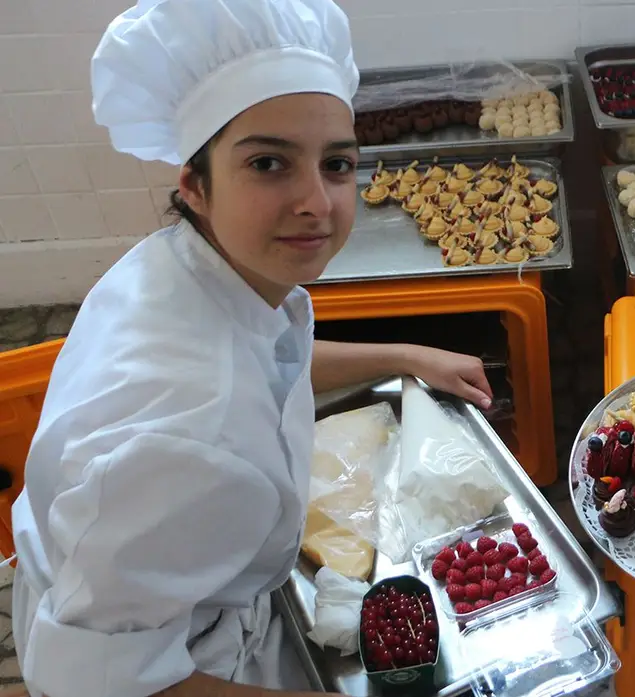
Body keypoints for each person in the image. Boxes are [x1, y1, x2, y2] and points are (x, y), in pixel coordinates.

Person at [8, 0, 494, 695]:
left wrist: (407, 355)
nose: (317, 203)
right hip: (168, 653)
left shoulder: (190, 266)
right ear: (195, 185)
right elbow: (98, 683)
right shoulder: (188, 440)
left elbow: (271, 360)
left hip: (145, 581)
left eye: (336, 163)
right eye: (269, 163)